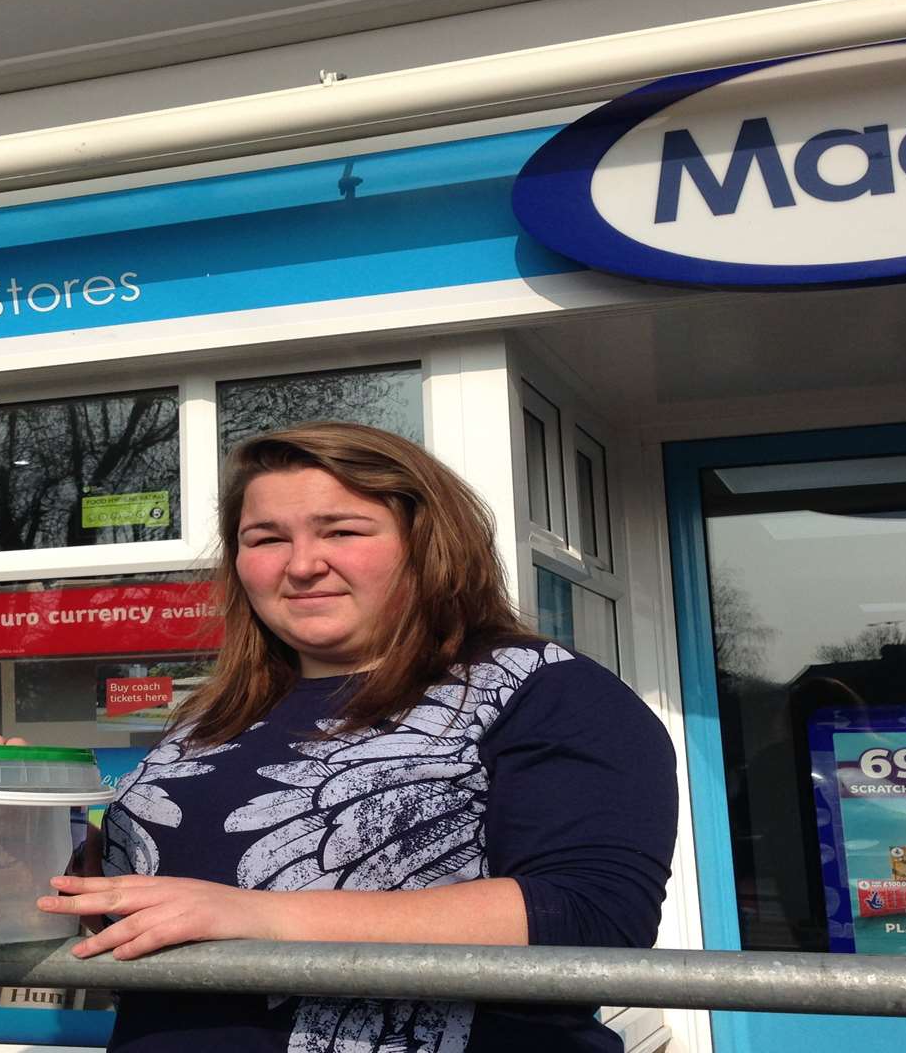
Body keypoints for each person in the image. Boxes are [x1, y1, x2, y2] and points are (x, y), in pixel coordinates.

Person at [42, 422, 679, 1053]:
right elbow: (157, 910)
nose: (301, 565)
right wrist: (38, 834)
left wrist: (262, 917)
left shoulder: (540, 690)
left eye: (341, 531)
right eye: (266, 539)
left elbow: (592, 915)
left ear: (429, 544)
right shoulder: (211, 717)